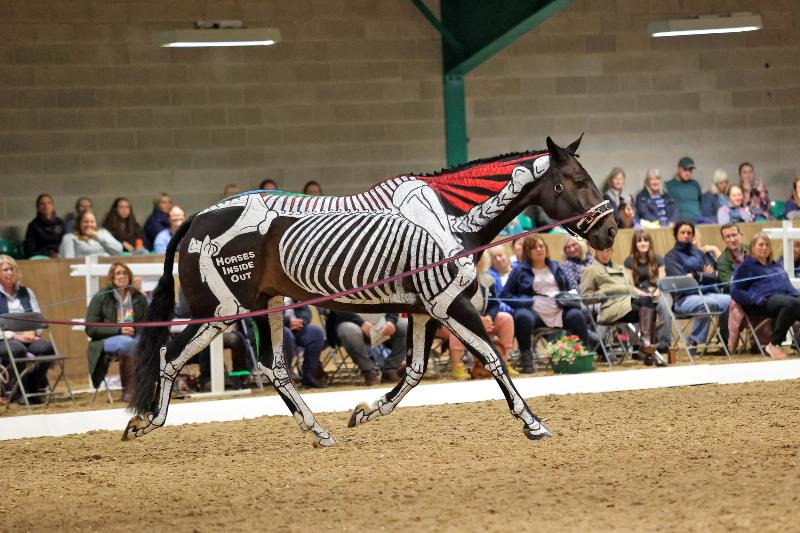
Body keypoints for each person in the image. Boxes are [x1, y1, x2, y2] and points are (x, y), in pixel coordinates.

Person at [500, 234, 591, 373]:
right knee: (522, 316)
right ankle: (526, 358)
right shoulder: (519, 270)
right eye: (534, 247)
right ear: (527, 252)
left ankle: (582, 354)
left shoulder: (555, 266)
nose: (538, 249)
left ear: (546, 248)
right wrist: (526, 301)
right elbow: (505, 295)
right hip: (534, 312)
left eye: (541, 246)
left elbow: (566, 289)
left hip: (558, 309)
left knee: (576, 315)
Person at [581, 245, 668, 366]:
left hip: (628, 304)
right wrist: (607, 292)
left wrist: (641, 293)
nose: (605, 254)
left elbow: (630, 288)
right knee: (649, 308)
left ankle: (646, 346)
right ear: (595, 252)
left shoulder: (620, 268)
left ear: (612, 252)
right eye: (602, 251)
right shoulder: (590, 270)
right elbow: (585, 298)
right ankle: (650, 354)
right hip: (611, 308)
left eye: (608, 250)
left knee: (647, 302)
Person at [440, 252, 517, 380]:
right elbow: (453, 307)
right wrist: (476, 320)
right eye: (473, 259)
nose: (477, 261)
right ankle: (456, 366)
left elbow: (494, 304)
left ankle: (504, 362)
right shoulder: (454, 280)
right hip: (453, 321)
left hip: (482, 322)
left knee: (506, 318)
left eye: (480, 258)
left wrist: (489, 318)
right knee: (458, 325)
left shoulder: (487, 279)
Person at [731, 232, 800, 359]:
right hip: (761, 302)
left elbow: (787, 286)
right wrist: (755, 299)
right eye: (760, 245)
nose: (764, 248)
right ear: (752, 247)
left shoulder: (775, 265)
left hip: (782, 298)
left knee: (794, 302)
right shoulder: (746, 266)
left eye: (767, 245)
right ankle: (774, 344)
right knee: (791, 304)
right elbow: (735, 291)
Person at [85, 262, 147, 401]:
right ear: (111, 277)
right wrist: (119, 329)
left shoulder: (139, 297)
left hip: (135, 336)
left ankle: (151, 387)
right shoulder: (101, 297)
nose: (121, 276)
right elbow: (91, 329)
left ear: (129, 276)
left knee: (149, 344)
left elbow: (146, 322)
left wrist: (138, 331)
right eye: (118, 273)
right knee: (128, 343)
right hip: (107, 339)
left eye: (124, 273)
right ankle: (129, 391)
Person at [664, 221, 731, 347]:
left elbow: (713, 276)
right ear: (676, 235)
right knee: (707, 304)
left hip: (708, 293)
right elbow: (682, 282)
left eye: (689, 233)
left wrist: (694, 275)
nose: (686, 235)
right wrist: (701, 276)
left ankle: (726, 340)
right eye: (682, 232)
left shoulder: (700, 254)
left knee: (732, 301)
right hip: (683, 299)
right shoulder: (671, 257)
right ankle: (693, 342)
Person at [0, 255, 55, 403]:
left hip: (29, 335)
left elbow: (37, 316)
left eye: (12, 269)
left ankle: (34, 388)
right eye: (5, 269)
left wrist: (33, 331)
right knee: (17, 349)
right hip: (5, 338)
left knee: (46, 347)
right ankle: (19, 391)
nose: (10, 272)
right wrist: (14, 336)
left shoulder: (26, 292)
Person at [324, 311, 408, 385]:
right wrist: (360, 323)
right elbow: (338, 307)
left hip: (382, 324)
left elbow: (393, 303)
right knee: (350, 330)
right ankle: (369, 371)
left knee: (407, 325)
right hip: (350, 322)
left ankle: (390, 370)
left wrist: (391, 321)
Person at [622, 231, 672, 353]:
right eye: (639, 241)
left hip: (658, 292)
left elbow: (662, 280)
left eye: (645, 240)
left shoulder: (659, 259)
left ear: (650, 242)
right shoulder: (629, 262)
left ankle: (664, 344)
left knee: (665, 306)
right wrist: (643, 294)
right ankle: (639, 345)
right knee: (632, 306)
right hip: (639, 295)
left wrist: (656, 292)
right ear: (635, 244)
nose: (643, 243)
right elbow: (629, 285)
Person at [283, 301, 327, 388]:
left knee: (316, 333)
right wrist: (287, 322)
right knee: (287, 334)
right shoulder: (268, 290)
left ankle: (308, 376)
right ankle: (284, 376)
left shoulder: (291, 291)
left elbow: (306, 311)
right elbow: (264, 314)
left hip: (296, 327)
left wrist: (301, 321)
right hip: (275, 327)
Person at [59, 210, 123, 258]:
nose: (89, 225)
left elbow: (118, 250)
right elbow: (69, 261)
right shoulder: (70, 237)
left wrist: (97, 236)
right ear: (79, 223)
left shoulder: (103, 233)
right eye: (86, 222)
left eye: (92, 222)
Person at [665, 157, 708, 223]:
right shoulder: (668, 185)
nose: (688, 173)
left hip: (699, 220)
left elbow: (701, 201)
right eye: (685, 170)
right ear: (678, 169)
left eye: (690, 170)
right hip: (680, 222)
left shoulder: (695, 184)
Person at [23, 193, 64, 258]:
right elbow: (30, 251)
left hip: (60, 256)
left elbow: (66, 243)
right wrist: (49, 254)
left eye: (49, 203)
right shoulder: (33, 226)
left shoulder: (60, 223)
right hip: (42, 258)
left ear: (53, 206)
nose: (46, 206)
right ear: (38, 208)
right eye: (42, 204)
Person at [487, 245, 513, 314]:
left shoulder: (518, 270)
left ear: (507, 255)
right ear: (491, 261)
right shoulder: (490, 277)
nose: (498, 259)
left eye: (500, 255)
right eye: (494, 258)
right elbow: (496, 301)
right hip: (503, 312)